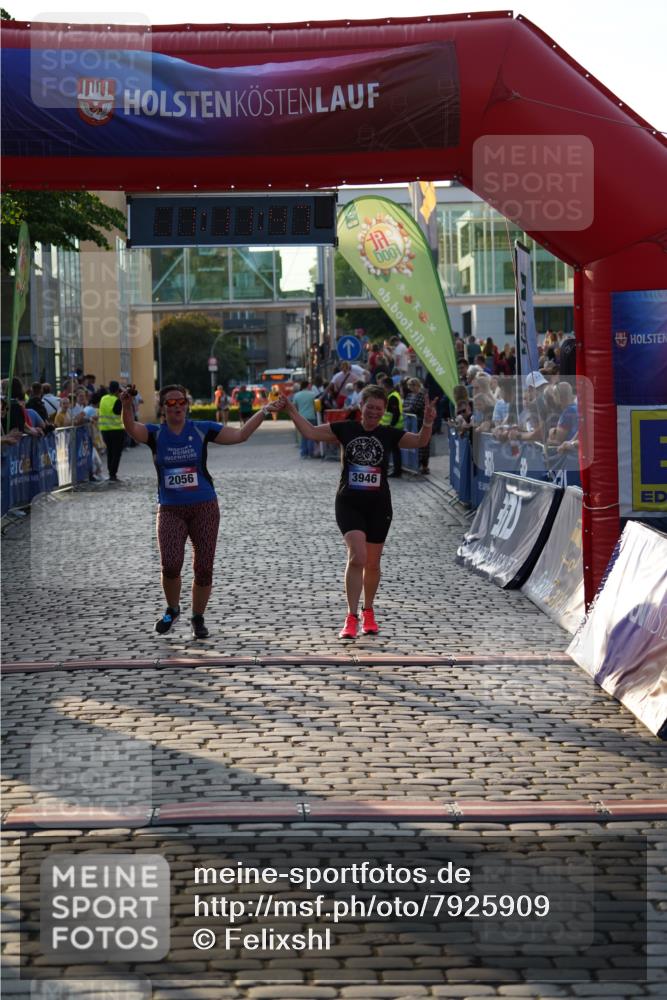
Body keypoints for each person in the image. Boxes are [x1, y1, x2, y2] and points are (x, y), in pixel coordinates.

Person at [121, 383, 281, 639]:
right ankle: (172, 609)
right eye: (171, 403)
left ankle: (198, 617)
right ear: (163, 408)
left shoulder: (201, 429)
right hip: (170, 509)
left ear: (187, 404)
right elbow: (131, 428)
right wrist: (127, 406)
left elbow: (240, 436)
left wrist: (263, 411)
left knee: (204, 568)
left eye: (181, 401)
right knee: (171, 564)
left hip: (204, 507)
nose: (177, 407)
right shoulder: (155, 434)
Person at [281, 384, 437, 639]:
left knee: (373, 563)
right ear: (360, 407)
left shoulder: (388, 434)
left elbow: (420, 441)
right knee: (358, 557)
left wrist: (428, 422)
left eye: (379, 408)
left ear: (384, 410)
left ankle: (369, 611)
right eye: (370, 407)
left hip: (379, 506)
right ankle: (351, 616)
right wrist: (291, 409)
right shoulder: (345, 429)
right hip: (349, 502)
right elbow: (309, 432)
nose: (374, 412)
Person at [98, 380, 126, 482]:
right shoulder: (117, 400)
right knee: (116, 453)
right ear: (118, 390)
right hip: (117, 430)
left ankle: (111, 472)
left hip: (105, 430)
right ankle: (113, 474)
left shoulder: (103, 399)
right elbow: (118, 412)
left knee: (110, 452)